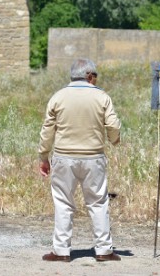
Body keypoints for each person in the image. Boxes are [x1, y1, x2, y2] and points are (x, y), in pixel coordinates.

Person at [38, 58, 121, 262]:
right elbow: (113, 125)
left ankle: (61, 251)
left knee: (63, 202)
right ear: (90, 76)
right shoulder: (102, 97)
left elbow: (47, 130)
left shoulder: (57, 97)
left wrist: (43, 157)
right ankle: (103, 250)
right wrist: (114, 140)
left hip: (63, 157)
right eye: (96, 76)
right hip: (93, 157)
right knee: (98, 202)